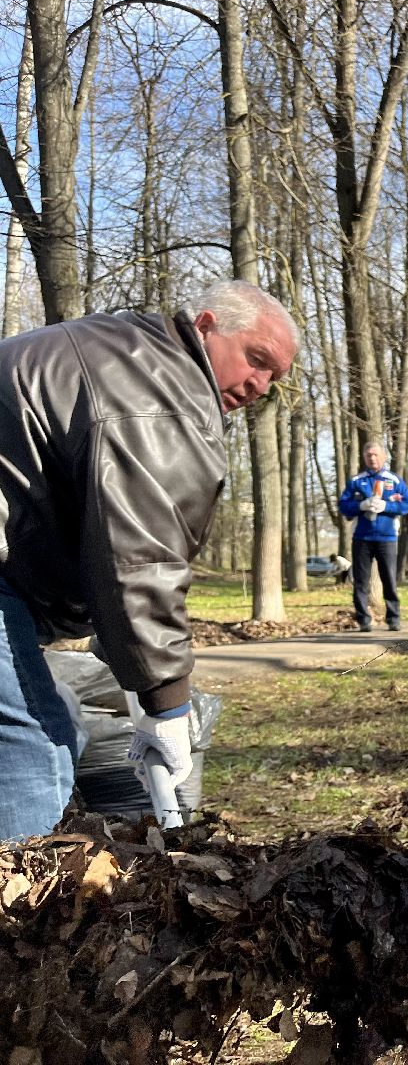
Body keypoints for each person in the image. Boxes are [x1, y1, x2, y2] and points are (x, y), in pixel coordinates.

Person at [0, 278, 298, 841]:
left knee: (50, 716)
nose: (259, 384)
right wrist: (165, 705)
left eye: (273, 378)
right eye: (256, 360)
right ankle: (23, 918)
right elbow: (141, 560)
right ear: (206, 325)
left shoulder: (129, 351)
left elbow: (105, 540)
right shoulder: (158, 398)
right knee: (33, 745)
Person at [338, 443, 408, 632]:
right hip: (362, 537)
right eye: (369, 455)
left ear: (383, 456)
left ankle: (394, 618)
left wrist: (387, 507)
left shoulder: (394, 480)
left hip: (387, 538)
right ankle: (363, 620)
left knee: (389, 579)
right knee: (361, 580)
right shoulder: (356, 481)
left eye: (376, 455)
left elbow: (407, 504)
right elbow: (343, 505)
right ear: (364, 457)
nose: (372, 458)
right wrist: (361, 506)